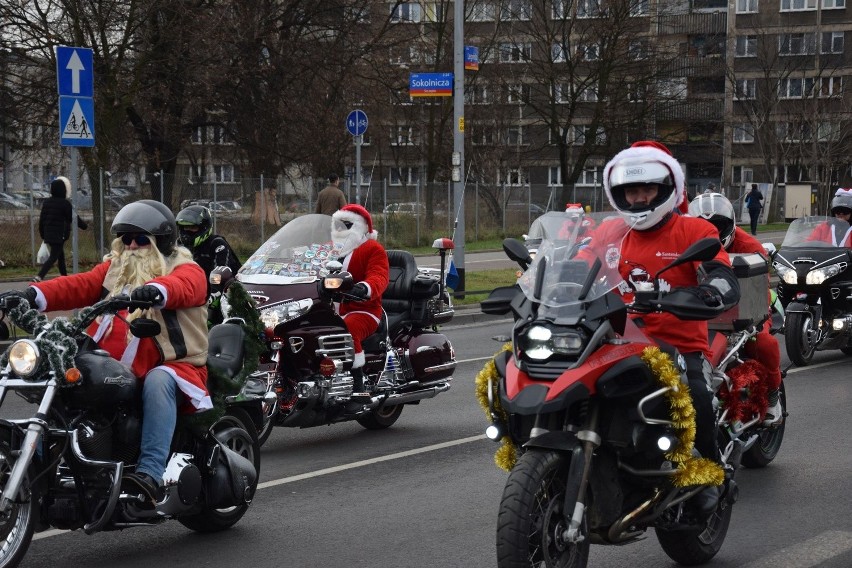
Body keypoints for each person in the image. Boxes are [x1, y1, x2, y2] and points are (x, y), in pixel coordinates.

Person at [20, 200, 210, 505]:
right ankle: (40, 464)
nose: (132, 245)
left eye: (141, 239)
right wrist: (33, 295)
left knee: (159, 381)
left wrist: (155, 291)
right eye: (126, 239)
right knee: (62, 379)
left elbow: (181, 286)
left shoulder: (186, 269)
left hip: (172, 364)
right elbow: (79, 285)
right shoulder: (116, 269)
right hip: (113, 366)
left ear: (160, 241)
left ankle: (149, 473)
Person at [596, 140, 740, 515]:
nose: (640, 198)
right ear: (620, 193)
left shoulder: (694, 231)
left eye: (648, 189)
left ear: (665, 190)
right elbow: (576, 265)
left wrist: (711, 290)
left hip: (678, 343)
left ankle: (710, 472)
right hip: (612, 339)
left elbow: (720, 273)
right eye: (632, 190)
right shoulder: (609, 233)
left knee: (696, 393)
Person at [688, 192, 782, 425]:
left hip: (748, 307)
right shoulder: (682, 244)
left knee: (762, 341)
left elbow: (758, 291)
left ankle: (772, 396)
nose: (710, 231)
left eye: (717, 225)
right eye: (701, 225)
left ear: (729, 224)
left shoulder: (749, 246)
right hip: (698, 311)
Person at [330, 204, 389, 404]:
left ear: (360, 227)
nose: (340, 230)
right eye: (337, 225)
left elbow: (379, 275)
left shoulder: (372, 249)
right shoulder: (329, 249)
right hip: (332, 308)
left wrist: (364, 288)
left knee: (346, 330)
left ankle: (357, 386)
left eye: (345, 225)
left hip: (364, 310)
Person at [176, 204, 243, 323]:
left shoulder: (217, 244)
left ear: (204, 227)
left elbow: (221, 272)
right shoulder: (179, 245)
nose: (187, 232)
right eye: (184, 228)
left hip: (223, 295)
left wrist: (212, 296)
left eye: (192, 228)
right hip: (193, 294)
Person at [33, 176, 88, 282]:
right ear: (64, 190)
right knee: (53, 257)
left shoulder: (47, 202)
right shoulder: (65, 203)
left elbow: (42, 219)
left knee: (60, 257)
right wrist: (84, 226)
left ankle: (65, 278)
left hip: (49, 234)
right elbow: (74, 218)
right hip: (59, 235)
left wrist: (43, 234)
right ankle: (39, 276)